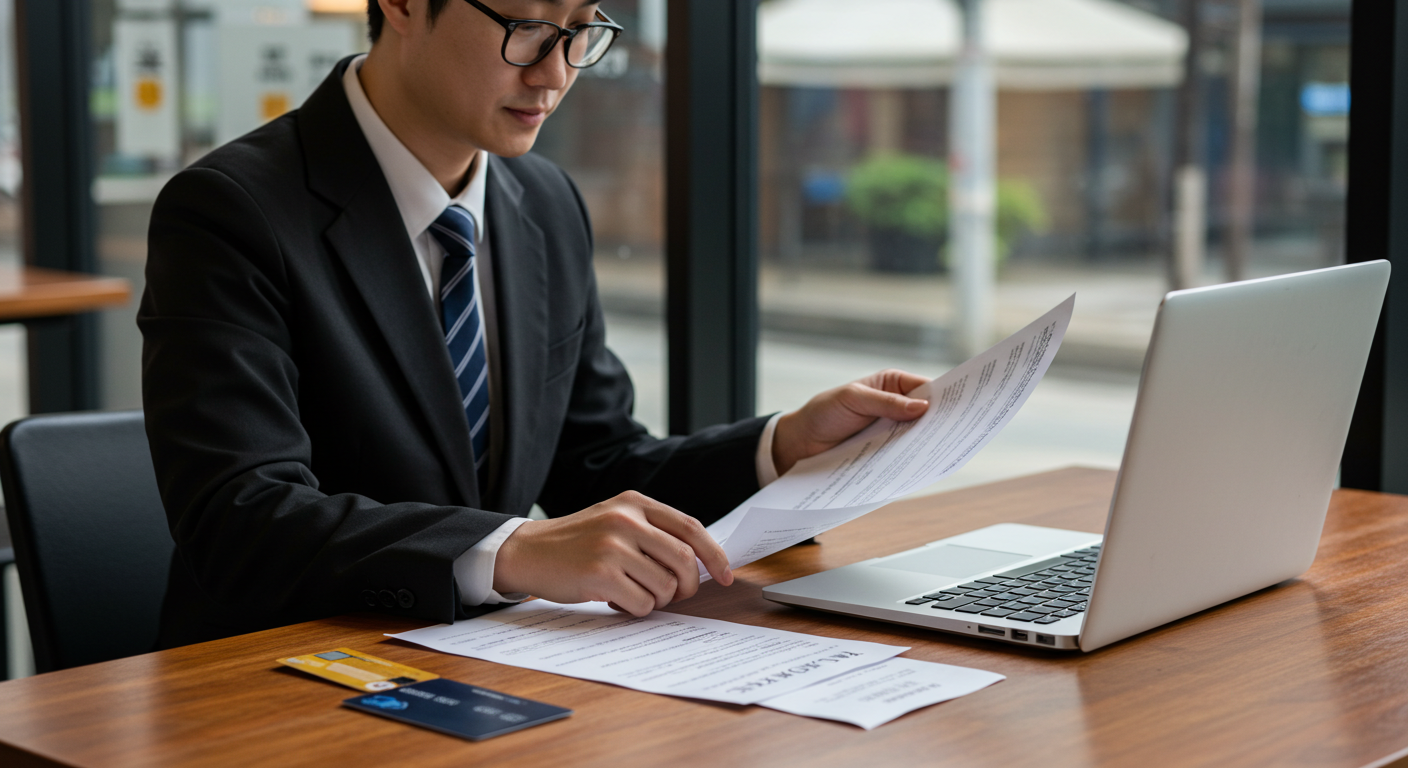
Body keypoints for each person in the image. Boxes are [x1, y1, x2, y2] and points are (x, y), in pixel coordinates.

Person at [139, 0, 930, 648]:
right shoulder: (232, 210)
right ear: (402, 5)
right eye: (525, 28)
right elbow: (239, 517)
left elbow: (596, 461)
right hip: (279, 676)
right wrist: (514, 549)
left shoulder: (544, 202)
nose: (555, 73)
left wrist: (782, 448)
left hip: (487, 667)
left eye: (580, 29)